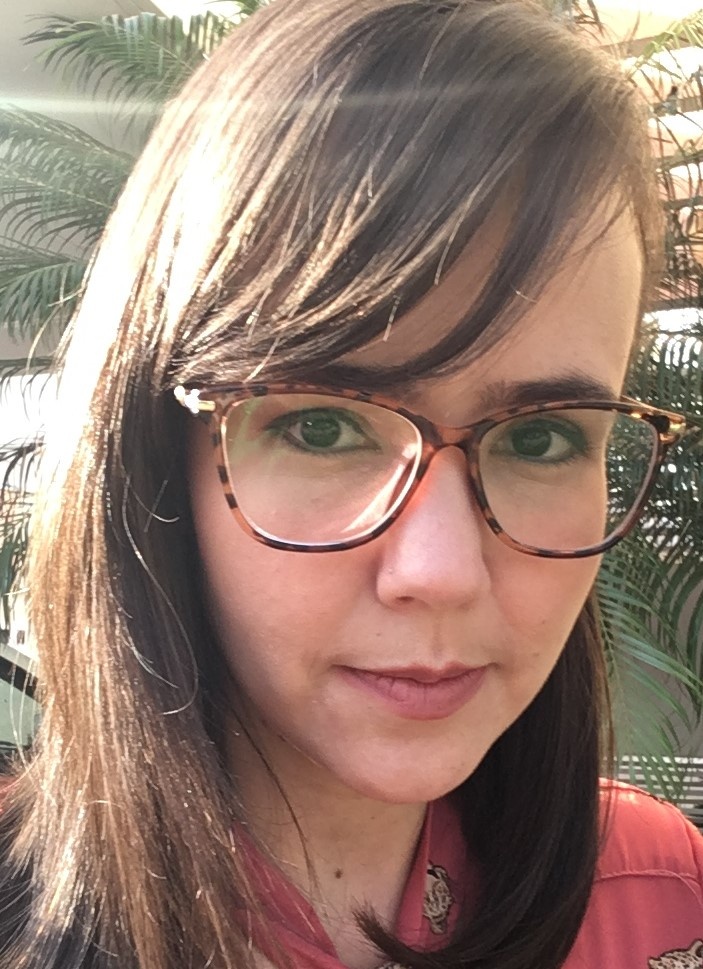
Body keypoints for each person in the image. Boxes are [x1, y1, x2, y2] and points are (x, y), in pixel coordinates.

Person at [0, 0, 701, 967]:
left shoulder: (662, 897)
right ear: (157, 455)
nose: (442, 572)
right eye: (323, 426)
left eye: (541, 437)